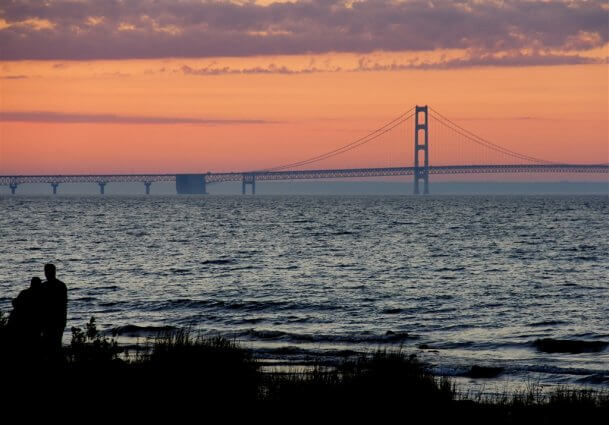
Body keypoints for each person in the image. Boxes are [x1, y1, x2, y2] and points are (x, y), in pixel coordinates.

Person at [7, 276, 44, 357]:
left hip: (22, 325)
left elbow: (15, 303)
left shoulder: (24, 293)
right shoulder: (39, 296)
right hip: (31, 325)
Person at [41, 263, 68, 358]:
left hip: (52, 321)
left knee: (51, 346)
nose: (46, 274)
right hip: (56, 321)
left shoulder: (44, 287)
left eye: (47, 271)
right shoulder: (61, 285)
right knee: (55, 345)